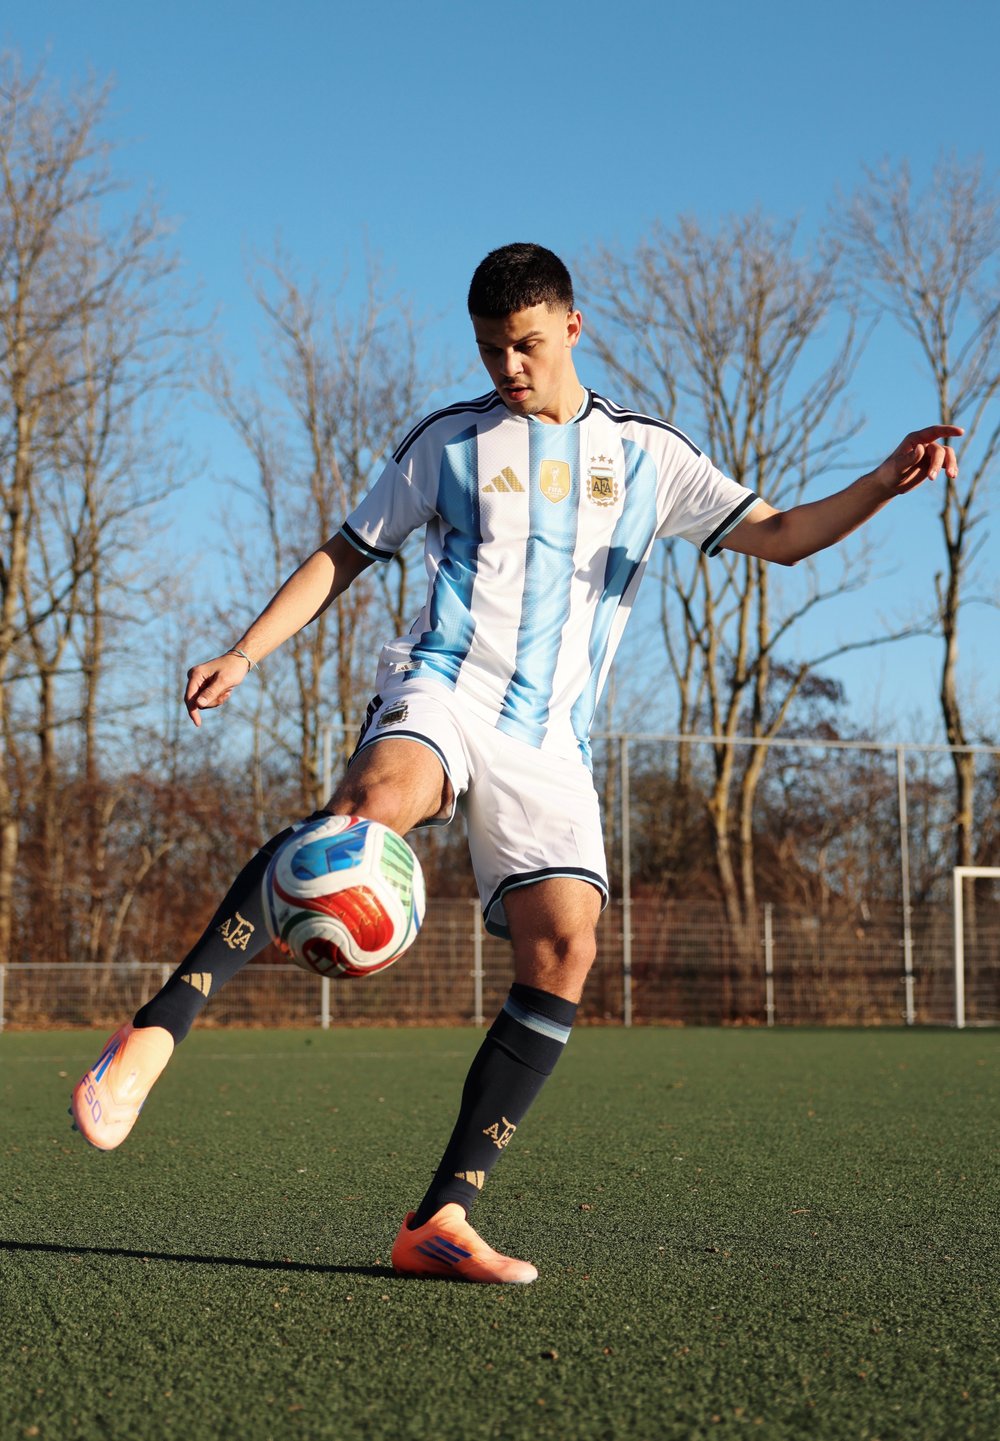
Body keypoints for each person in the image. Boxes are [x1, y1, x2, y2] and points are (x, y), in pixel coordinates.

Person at [71, 243, 961, 1283]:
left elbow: (785, 534)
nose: (510, 367)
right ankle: (155, 1033)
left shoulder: (645, 458)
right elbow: (341, 553)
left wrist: (883, 484)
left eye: (527, 345)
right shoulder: (447, 444)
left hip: (550, 741)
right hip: (444, 687)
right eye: (493, 350)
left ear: (572, 329)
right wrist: (244, 649)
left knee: (564, 950)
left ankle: (440, 1215)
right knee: (368, 812)